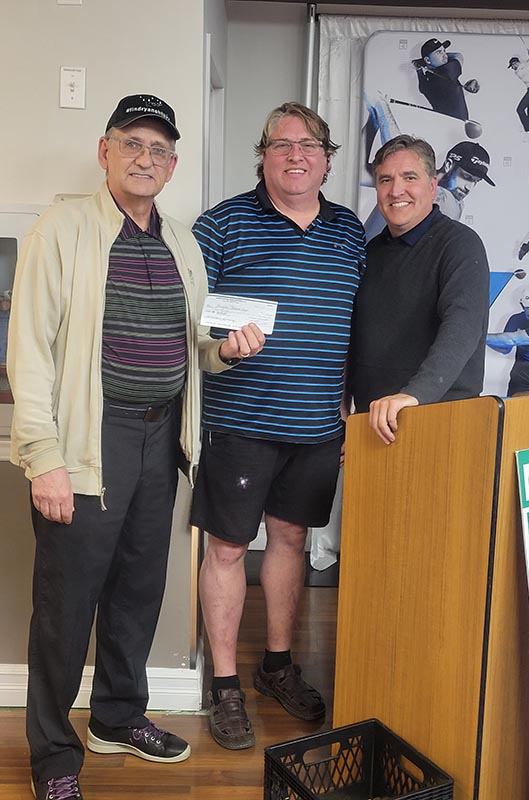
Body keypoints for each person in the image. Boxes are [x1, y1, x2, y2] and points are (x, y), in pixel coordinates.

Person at [7, 94, 263, 800]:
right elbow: (27, 352)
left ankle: (118, 717)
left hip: (165, 436)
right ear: (105, 152)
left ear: (172, 165)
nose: (145, 159)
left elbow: (198, 352)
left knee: (137, 592)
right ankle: (55, 758)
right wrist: (44, 457)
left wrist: (230, 352)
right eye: (132, 145)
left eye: (158, 150)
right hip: (91, 439)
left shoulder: (182, 241)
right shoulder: (59, 230)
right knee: (66, 606)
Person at [191, 101, 366, 750]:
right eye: (281, 143)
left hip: (318, 426)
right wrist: (222, 348)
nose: (296, 153)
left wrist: (351, 410)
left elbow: (363, 329)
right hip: (240, 422)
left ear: (326, 158)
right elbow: (188, 320)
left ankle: (277, 667)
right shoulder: (222, 224)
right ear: (262, 155)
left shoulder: (349, 231)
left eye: (309, 144)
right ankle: (226, 687)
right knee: (230, 549)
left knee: (291, 541)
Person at [348, 134, 489, 446]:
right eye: (386, 179)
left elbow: (462, 328)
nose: (396, 190)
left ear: (432, 185)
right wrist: (342, 404)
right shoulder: (370, 254)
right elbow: (350, 335)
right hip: (374, 426)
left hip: (439, 424)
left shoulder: (460, 246)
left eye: (409, 177)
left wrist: (414, 395)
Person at [361, 94, 495, 238]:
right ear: (449, 164)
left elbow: (401, 157)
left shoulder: (450, 203)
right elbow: (360, 175)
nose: (469, 187)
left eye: (475, 181)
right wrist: (373, 120)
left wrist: (381, 107)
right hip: (360, 256)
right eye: (467, 177)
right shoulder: (411, 182)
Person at [413, 38, 471, 122]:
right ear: (428, 60)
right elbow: (458, 56)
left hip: (442, 124)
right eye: (439, 53)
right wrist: (422, 62)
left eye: (444, 51)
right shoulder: (449, 70)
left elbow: (422, 87)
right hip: (459, 125)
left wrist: (420, 67)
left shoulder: (426, 81)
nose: (445, 55)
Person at [508, 49, 529, 141]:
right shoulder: (519, 72)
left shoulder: (525, 67)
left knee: (520, 109)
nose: (512, 68)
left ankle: (528, 130)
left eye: (512, 65)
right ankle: (528, 127)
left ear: (516, 63)